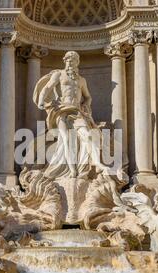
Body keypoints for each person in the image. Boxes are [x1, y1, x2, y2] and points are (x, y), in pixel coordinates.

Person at [34, 51, 109, 179]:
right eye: (68, 59)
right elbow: (47, 88)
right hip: (61, 110)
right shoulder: (59, 74)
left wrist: (86, 106)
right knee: (66, 140)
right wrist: (41, 101)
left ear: (77, 62)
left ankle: (97, 163)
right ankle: (72, 170)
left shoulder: (81, 80)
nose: (70, 61)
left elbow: (88, 97)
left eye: (73, 59)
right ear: (64, 61)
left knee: (89, 136)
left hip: (77, 112)